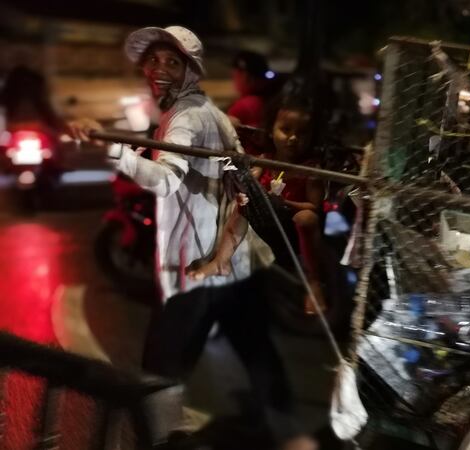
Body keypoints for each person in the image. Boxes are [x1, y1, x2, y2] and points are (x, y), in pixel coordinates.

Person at [68, 26, 315, 450]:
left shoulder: (187, 116)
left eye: (172, 62)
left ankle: (160, 440)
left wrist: (114, 150)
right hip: (238, 257)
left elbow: (165, 181)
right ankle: (291, 435)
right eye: (154, 60)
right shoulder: (207, 113)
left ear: (190, 71)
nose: (159, 69)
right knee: (256, 348)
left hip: (202, 262)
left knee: (159, 366)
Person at [187, 97, 327, 315]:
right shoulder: (265, 160)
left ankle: (314, 283)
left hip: (291, 227)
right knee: (243, 199)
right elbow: (246, 174)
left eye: (302, 133)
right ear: (271, 131)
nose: (293, 138)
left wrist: (285, 202)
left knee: (307, 217)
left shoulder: (310, 169)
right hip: (264, 222)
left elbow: (314, 206)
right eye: (286, 129)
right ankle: (220, 261)